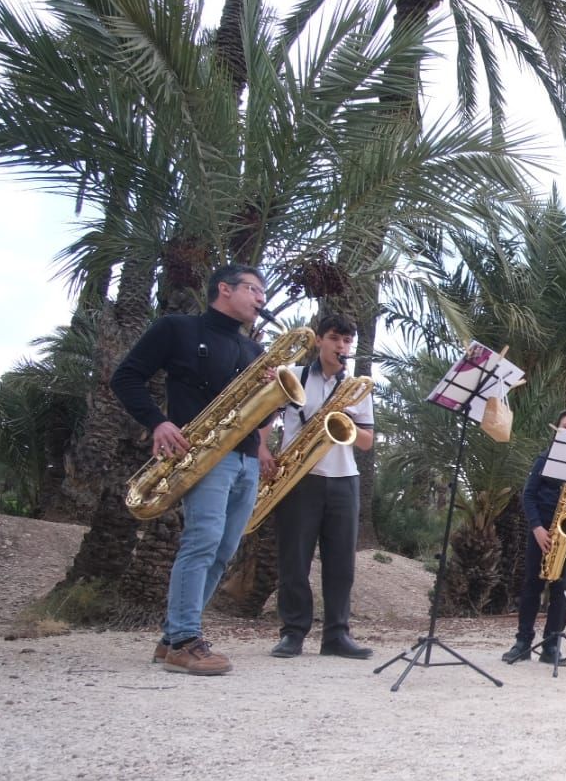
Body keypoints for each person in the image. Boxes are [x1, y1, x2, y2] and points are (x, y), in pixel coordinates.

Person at [110, 263, 277, 675]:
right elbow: (126, 377)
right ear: (224, 288)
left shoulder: (254, 351)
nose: (261, 300)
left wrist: (270, 393)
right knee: (202, 542)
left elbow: (259, 417)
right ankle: (186, 639)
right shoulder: (176, 328)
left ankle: (172, 640)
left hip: (244, 459)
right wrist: (158, 421)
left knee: (223, 551)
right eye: (255, 290)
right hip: (203, 455)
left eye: (263, 293)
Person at [270, 314, 374, 661]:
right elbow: (265, 419)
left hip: (343, 479)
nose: (341, 347)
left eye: (347, 342)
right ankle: (293, 633)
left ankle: (336, 635)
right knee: (294, 560)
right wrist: (260, 452)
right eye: (334, 339)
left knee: (341, 562)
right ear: (319, 340)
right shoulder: (294, 375)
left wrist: (343, 422)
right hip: (298, 479)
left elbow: (366, 442)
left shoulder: (357, 388)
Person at [501, 409, 566, 667]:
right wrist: (537, 529)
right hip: (542, 531)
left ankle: (551, 645)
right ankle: (523, 643)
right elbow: (528, 496)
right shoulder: (544, 459)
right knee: (532, 586)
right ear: (557, 431)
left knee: (562, 588)